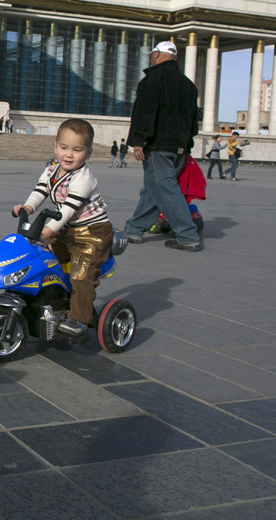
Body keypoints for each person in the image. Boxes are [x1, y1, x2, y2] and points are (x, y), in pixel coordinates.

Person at [12, 118, 112, 336]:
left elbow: (67, 209)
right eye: (64, 148)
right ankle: (50, 302)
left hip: (93, 233)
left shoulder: (83, 178)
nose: (69, 154)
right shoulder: (50, 170)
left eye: (77, 150)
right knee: (43, 260)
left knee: (81, 272)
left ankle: (79, 318)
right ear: (55, 147)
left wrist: (46, 232)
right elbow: (40, 192)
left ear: (88, 153)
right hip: (67, 230)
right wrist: (28, 208)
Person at [123, 40, 202, 252]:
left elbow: (145, 113)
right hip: (179, 147)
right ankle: (134, 229)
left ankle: (187, 235)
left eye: (152, 55)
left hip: (158, 146)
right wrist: (186, 146)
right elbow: (194, 120)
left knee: (166, 190)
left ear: (157, 55)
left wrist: (139, 141)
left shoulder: (153, 80)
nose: (151, 58)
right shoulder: (188, 85)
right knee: (153, 189)